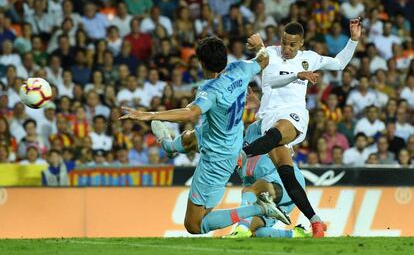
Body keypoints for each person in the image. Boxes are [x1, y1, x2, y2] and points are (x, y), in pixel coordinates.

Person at [119, 36, 290, 235]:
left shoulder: (210, 90)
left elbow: (190, 113)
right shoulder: (241, 69)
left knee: (194, 224)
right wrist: (259, 45)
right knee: (192, 138)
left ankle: (258, 208)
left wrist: (149, 115)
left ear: (201, 63)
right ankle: (169, 146)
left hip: (218, 156)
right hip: (228, 137)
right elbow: (264, 59)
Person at [239, 18, 362, 237]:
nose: (286, 48)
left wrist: (353, 41)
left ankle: (242, 154)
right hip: (268, 118)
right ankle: (315, 222)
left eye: (292, 45)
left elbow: (339, 63)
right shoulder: (269, 54)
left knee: (279, 130)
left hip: (293, 116)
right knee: (287, 175)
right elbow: (270, 80)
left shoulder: (310, 59)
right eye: (284, 42)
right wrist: (293, 73)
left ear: (301, 43)